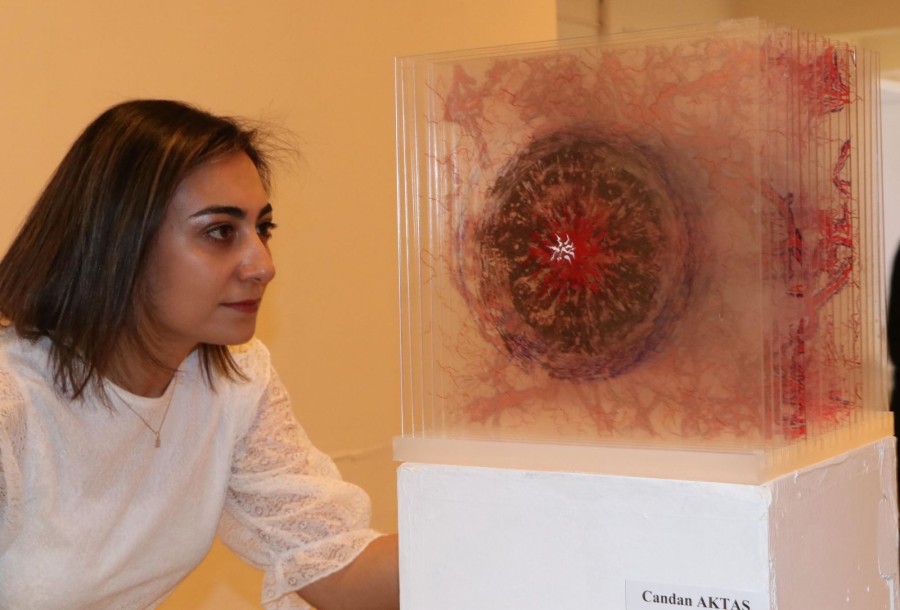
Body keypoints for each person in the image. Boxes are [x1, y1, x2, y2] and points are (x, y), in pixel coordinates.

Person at [0, 99, 399, 609]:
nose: (263, 265)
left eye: (263, 229)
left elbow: (334, 565)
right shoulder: (14, 401)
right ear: (120, 243)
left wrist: (493, 520)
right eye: (220, 232)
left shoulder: (234, 381)